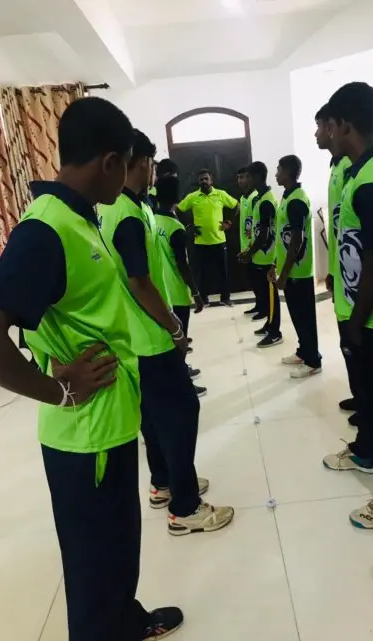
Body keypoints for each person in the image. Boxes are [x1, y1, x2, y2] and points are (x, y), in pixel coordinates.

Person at [0, 97, 183, 641]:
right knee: (93, 566)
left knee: (119, 546)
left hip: (111, 422)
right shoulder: (45, 230)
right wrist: (56, 390)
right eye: (129, 165)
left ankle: (127, 620)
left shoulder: (83, 217)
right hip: (84, 436)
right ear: (110, 162)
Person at [98, 129, 234, 536]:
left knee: (155, 416)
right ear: (141, 163)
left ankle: (163, 483)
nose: (153, 171)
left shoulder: (122, 207)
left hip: (135, 337)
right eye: (151, 163)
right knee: (181, 412)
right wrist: (174, 326)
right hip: (150, 338)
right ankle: (185, 507)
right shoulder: (126, 214)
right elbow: (139, 282)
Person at [322, 82, 373, 530]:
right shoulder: (363, 172)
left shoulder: (372, 180)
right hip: (365, 313)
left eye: (330, 126)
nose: (327, 134)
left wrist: (355, 323)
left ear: (344, 125)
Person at [315, 103, 358, 424]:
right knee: (349, 346)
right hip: (342, 273)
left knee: (358, 346)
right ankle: (360, 396)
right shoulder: (336, 168)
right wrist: (331, 270)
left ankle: (369, 405)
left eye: (319, 126)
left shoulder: (349, 168)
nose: (316, 134)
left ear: (332, 128)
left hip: (356, 279)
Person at [153, 174, 207, 397]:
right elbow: (183, 265)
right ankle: (181, 386)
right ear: (177, 197)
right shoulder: (175, 227)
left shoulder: (152, 220)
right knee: (180, 342)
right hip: (176, 292)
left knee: (169, 342)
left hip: (160, 291)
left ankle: (177, 376)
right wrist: (196, 292)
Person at [272, 155, 322, 377]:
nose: (276, 174)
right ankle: (303, 351)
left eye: (279, 170)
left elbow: (297, 239)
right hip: (291, 270)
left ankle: (313, 361)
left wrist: (284, 274)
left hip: (298, 272)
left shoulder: (296, 201)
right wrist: (276, 264)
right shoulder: (288, 197)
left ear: (288, 172)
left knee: (305, 318)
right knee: (297, 316)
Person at [177, 169, 238, 307]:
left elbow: (236, 206)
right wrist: (189, 226)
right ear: (198, 182)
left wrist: (229, 222)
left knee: (223, 272)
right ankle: (203, 299)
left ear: (211, 180)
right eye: (201, 179)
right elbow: (178, 210)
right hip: (200, 242)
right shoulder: (193, 197)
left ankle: (225, 298)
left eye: (206, 179)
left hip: (219, 240)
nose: (204, 181)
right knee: (201, 273)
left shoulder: (221, 194)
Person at [240, 161, 282, 348]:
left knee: (271, 296)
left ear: (257, 177)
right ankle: (269, 324)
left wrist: (250, 253)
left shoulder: (266, 201)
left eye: (249, 176)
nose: (246, 180)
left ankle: (275, 333)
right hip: (261, 256)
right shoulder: (260, 198)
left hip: (267, 257)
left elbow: (264, 235)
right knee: (265, 295)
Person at [237, 167, 259, 316]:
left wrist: (251, 247)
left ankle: (264, 308)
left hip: (254, 247)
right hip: (245, 246)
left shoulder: (255, 198)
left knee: (259, 281)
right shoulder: (243, 198)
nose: (240, 181)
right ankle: (259, 305)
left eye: (243, 177)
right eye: (239, 178)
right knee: (252, 280)